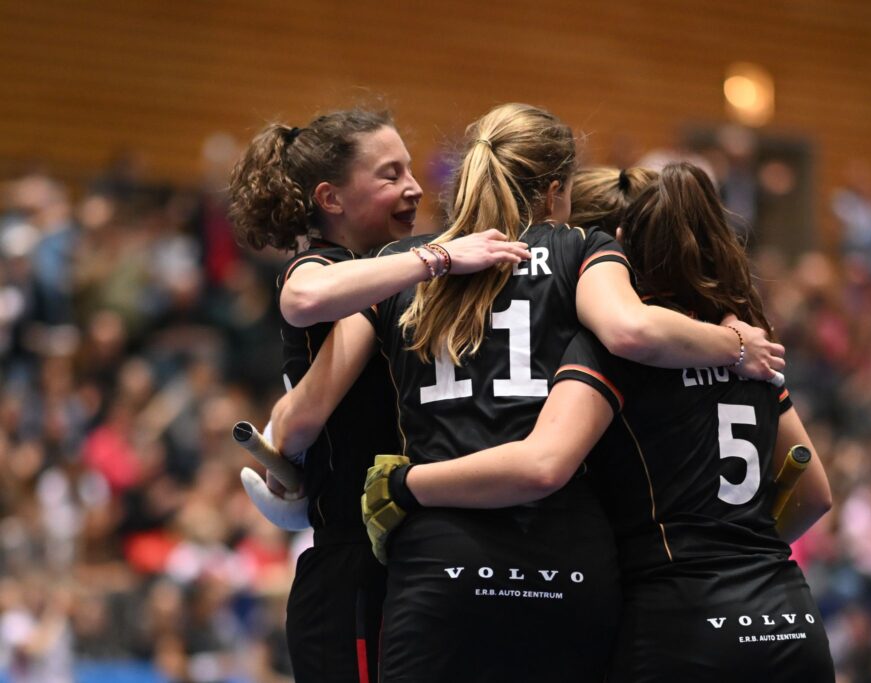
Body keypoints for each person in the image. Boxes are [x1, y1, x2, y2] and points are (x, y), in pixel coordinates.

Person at [270, 104, 785, 682]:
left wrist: (286, 452)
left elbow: (305, 404)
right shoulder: (579, 248)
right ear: (557, 191)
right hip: (567, 557)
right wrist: (733, 344)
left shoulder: (400, 266)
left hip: (442, 561)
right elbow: (631, 330)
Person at [366, 162, 833, 682]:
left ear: (618, 250)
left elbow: (544, 463)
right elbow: (815, 495)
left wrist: (404, 483)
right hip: (790, 617)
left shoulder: (622, 349)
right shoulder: (751, 347)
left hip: (681, 619)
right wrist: (741, 556)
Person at [227, 108, 529, 683]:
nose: (414, 187)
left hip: (400, 557)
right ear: (331, 198)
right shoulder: (325, 265)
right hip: (350, 570)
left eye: (410, 169)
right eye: (390, 175)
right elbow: (302, 297)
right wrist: (437, 257)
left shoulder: (380, 275)